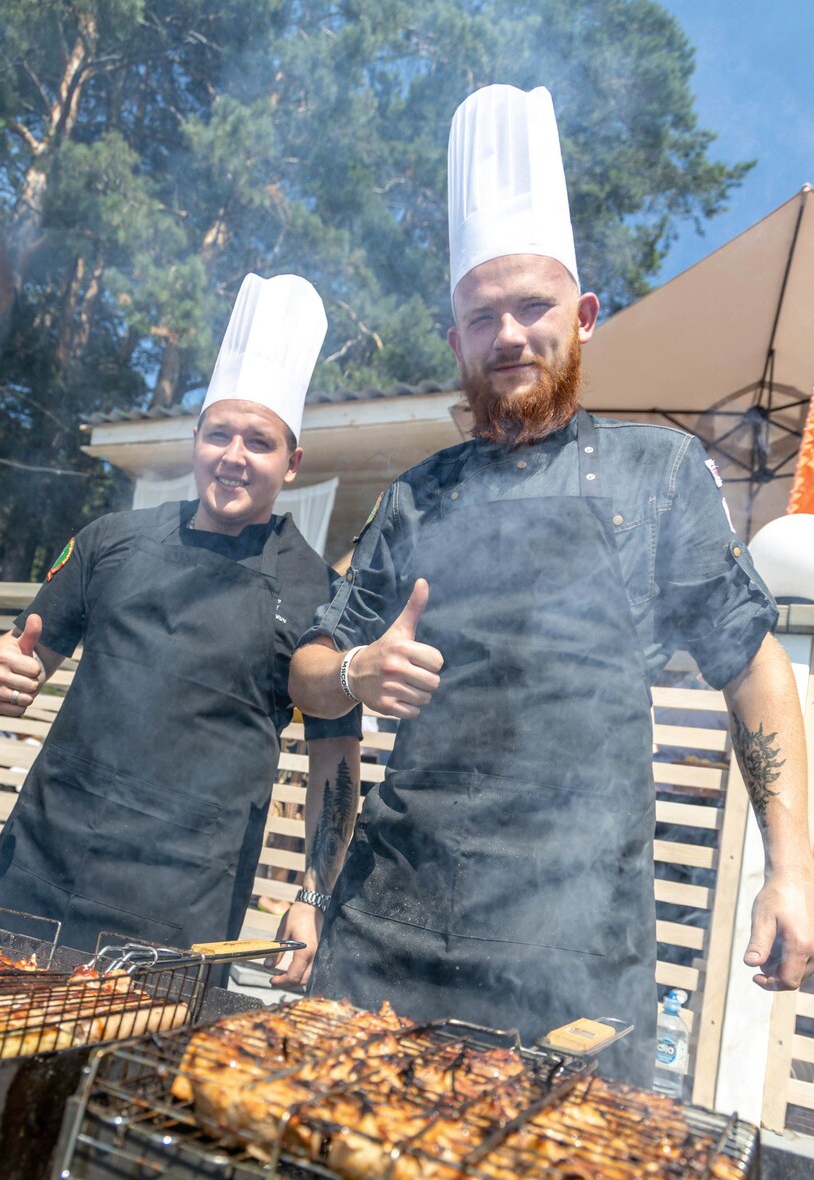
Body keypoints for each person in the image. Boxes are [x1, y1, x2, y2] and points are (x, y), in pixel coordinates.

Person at [281, 85, 814, 1085]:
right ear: (456, 340)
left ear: (584, 316)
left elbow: (752, 669)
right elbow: (308, 676)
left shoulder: (656, 478)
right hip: (385, 934)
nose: (510, 335)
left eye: (533, 308)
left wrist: (793, 869)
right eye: (483, 315)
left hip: (574, 952)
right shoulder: (416, 497)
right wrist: (355, 668)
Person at [0, 274, 361, 961]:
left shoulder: (317, 594)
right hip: (34, 873)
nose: (233, 457)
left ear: (291, 462)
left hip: (176, 911)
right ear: (195, 440)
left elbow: (335, 761)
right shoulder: (108, 540)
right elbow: (20, 655)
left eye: (259, 443)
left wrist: (312, 895)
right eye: (219, 434)